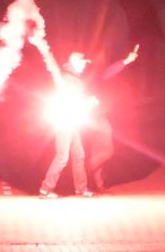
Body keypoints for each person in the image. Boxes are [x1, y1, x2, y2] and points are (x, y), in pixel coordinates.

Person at [36, 43, 136, 197]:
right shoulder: (69, 79)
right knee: (62, 157)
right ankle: (46, 188)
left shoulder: (72, 78)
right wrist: (88, 103)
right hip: (64, 122)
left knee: (79, 155)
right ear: (75, 62)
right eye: (83, 63)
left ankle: (81, 189)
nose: (84, 66)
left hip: (70, 122)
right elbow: (69, 102)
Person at [117, 0, 165, 106]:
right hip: (142, 37)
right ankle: (142, 93)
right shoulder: (138, 1)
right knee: (143, 66)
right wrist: (160, 35)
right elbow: (154, 18)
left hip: (142, 37)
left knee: (142, 66)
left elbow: (153, 18)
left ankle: (142, 93)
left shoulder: (136, 1)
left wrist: (159, 35)